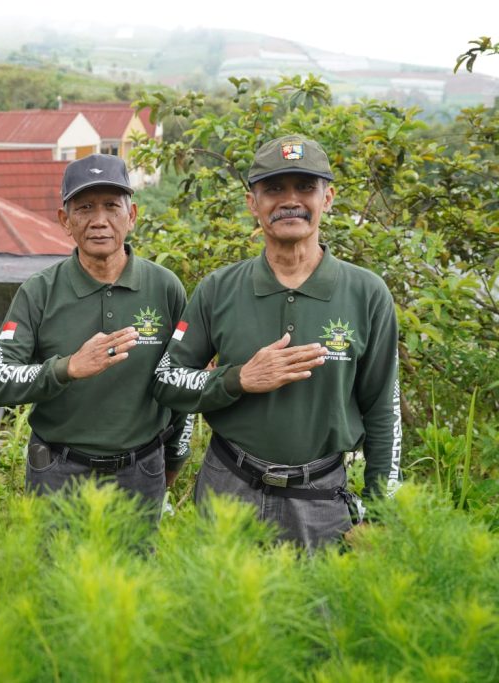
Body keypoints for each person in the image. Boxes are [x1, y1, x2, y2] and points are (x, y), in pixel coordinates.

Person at [153, 135, 402, 549]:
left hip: (321, 498)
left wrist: (381, 513)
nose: (290, 201)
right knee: (221, 593)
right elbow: (166, 380)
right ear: (253, 203)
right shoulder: (219, 289)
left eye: (305, 187)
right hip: (228, 489)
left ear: (328, 198)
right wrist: (237, 379)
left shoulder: (367, 294)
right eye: (273, 189)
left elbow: (383, 410)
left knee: (319, 594)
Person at [0, 154, 192, 515]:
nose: (99, 221)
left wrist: (175, 457)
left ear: (132, 215)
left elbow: (182, 379)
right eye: (84, 208)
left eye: (111, 206)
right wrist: (66, 368)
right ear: (65, 220)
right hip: (57, 471)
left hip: (141, 470)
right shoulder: (40, 291)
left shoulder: (164, 287)